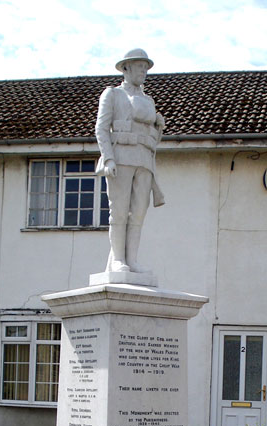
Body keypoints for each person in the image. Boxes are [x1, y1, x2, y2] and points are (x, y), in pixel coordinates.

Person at [95, 48, 165, 274]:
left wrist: (158, 126)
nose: (144, 72)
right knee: (119, 211)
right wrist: (108, 158)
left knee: (138, 213)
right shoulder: (113, 94)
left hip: (144, 161)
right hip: (121, 157)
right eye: (139, 67)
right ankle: (118, 260)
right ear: (126, 68)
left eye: (146, 68)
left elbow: (153, 139)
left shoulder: (149, 100)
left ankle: (131, 260)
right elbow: (102, 128)